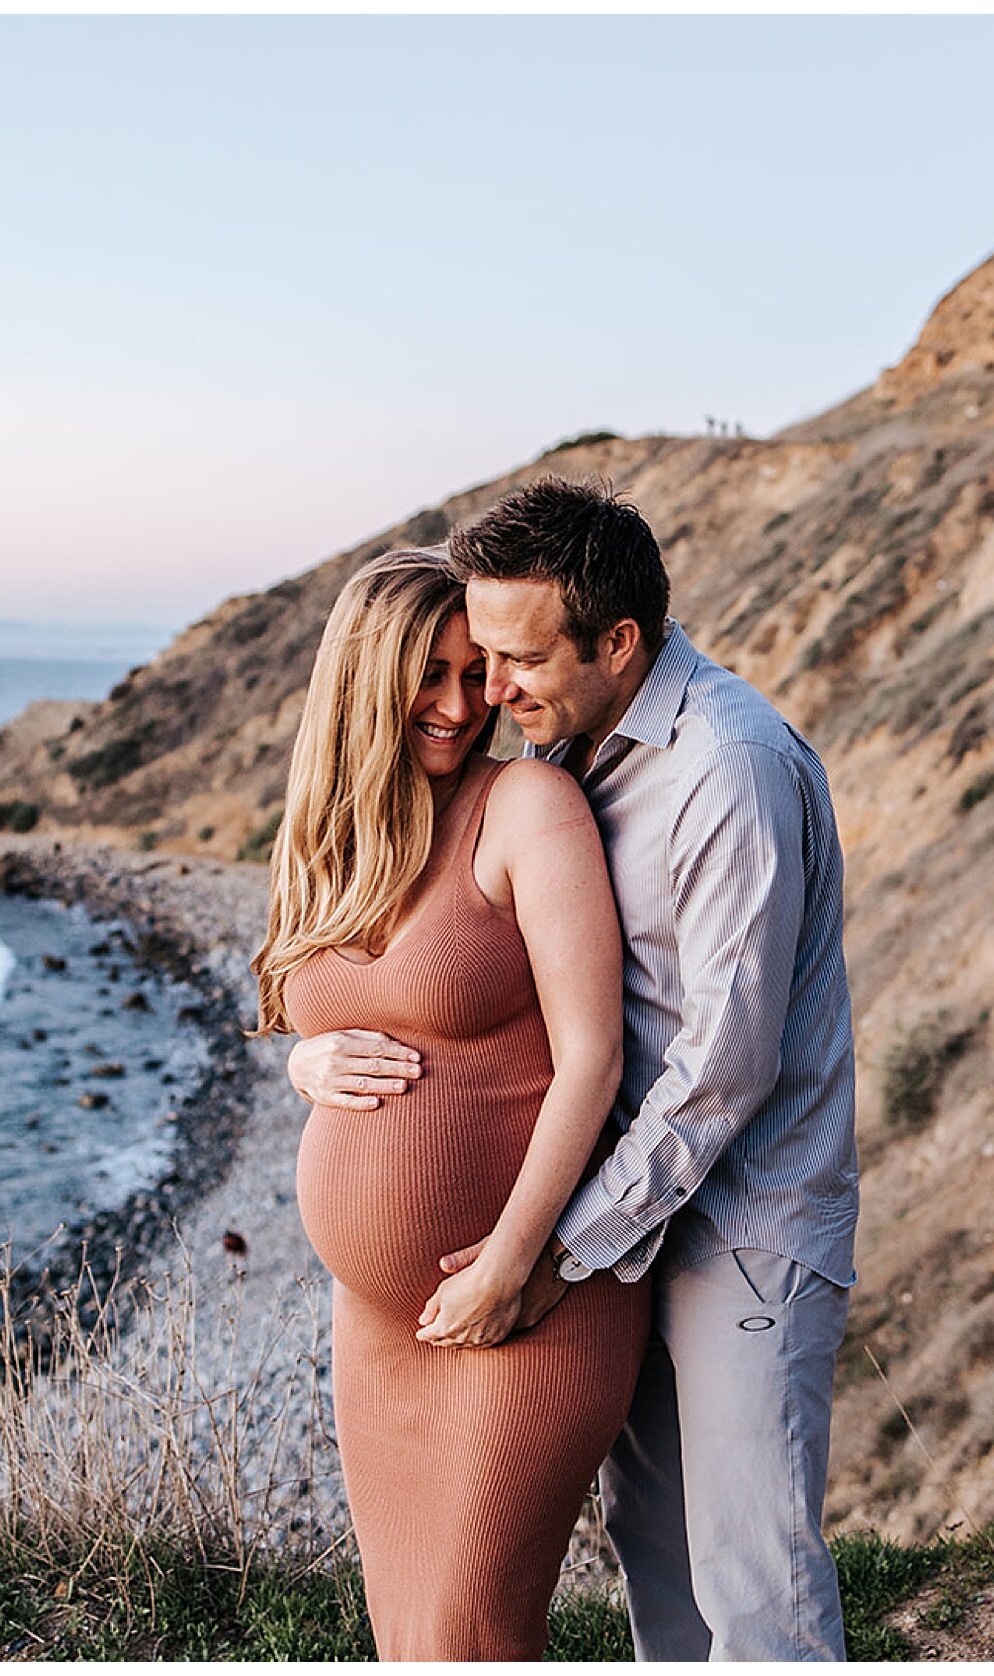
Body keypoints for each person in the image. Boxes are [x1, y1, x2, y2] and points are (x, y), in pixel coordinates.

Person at [289, 478, 861, 1660]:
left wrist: (553, 1247)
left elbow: (721, 1062)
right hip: (620, 1214)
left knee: (751, 1565)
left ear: (617, 641)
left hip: (734, 1218)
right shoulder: (578, 741)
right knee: (653, 1538)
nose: (492, 691)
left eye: (513, 656)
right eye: (473, 657)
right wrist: (311, 1056)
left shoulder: (725, 767)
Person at [254, 547, 651, 1660]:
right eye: (428, 673)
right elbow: (300, 996)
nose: (458, 703)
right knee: (405, 1639)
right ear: (360, 679)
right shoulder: (335, 831)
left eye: (474, 671)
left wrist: (509, 1265)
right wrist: (304, 1062)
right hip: (377, 1325)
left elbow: (593, 1060)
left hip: (525, 1308)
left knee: (468, 1637)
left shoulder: (525, 804)